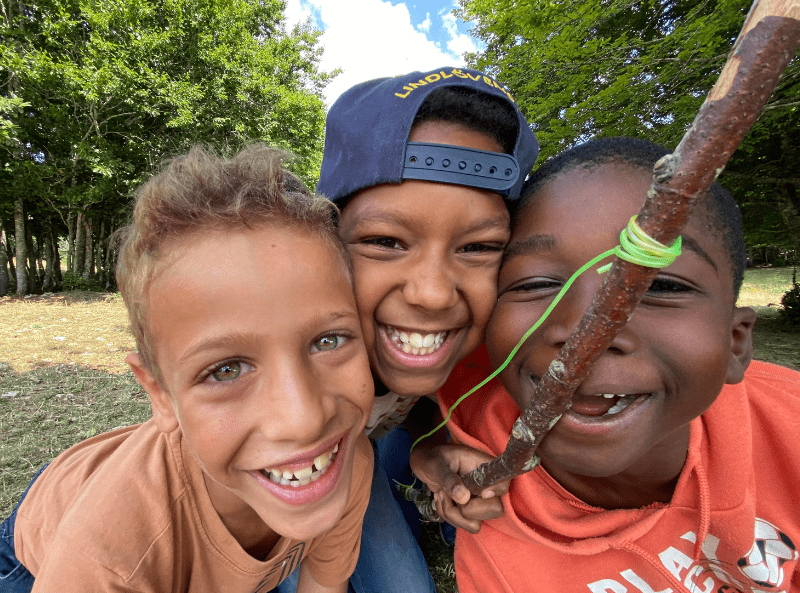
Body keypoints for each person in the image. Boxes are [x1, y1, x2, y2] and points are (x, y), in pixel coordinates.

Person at [0, 145, 375, 593]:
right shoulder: (109, 558)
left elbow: (323, 585)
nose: (305, 419)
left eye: (327, 341)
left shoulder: (342, 457)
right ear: (159, 394)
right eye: (226, 369)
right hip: (35, 548)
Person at [431, 137, 800, 592]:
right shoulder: (498, 545)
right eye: (537, 283)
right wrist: (422, 453)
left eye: (660, 287)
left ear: (736, 342)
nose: (590, 333)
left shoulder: (790, 427)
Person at [314, 67, 540, 593]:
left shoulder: (479, 343)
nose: (434, 294)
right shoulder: (280, 354)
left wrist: (429, 449)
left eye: (479, 247)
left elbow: (409, 403)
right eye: (386, 242)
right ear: (321, 240)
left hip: (356, 463)